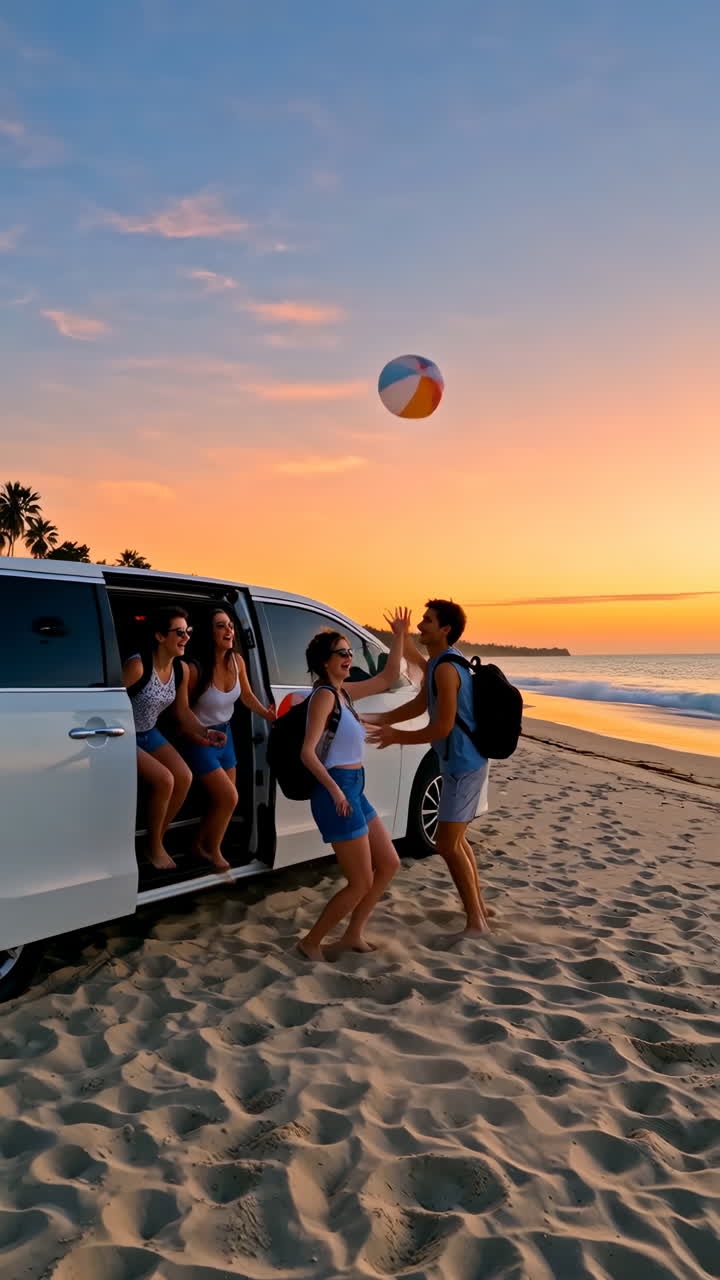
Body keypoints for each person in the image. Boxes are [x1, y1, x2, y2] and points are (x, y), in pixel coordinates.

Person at [364, 599, 491, 935]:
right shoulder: (439, 662)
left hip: (465, 765)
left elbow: (442, 726)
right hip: (455, 763)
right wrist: (378, 719)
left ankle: (476, 920)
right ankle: (479, 907)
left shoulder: (448, 668)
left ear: (445, 629)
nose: (422, 625)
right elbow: (421, 702)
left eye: (428, 621)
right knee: (457, 841)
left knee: (448, 845)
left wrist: (395, 737)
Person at [298, 608, 411, 960]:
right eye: (342, 653)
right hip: (338, 790)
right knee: (360, 880)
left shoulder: (344, 693)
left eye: (350, 652)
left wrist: (400, 635)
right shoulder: (324, 697)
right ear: (325, 661)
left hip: (354, 787)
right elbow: (307, 753)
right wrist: (335, 791)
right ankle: (310, 943)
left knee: (389, 863)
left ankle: (353, 933)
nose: (349, 658)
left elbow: (389, 676)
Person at [123, 607, 226, 872]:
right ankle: (154, 847)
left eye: (188, 632)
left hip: (149, 732)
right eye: (179, 632)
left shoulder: (180, 669)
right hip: (124, 735)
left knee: (184, 776)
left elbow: (182, 711)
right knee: (164, 779)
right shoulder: (138, 666)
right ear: (159, 636)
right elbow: (104, 703)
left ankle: (154, 840)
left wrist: (204, 731)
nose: (186, 637)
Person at [184, 607, 276, 871]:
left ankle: (200, 845)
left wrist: (267, 714)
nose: (229, 631)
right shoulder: (195, 668)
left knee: (224, 799)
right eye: (221, 626)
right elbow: (182, 710)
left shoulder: (237, 661)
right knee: (228, 798)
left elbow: (246, 696)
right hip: (201, 738)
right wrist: (197, 734)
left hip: (227, 736)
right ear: (209, 632)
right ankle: (214, 850)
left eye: (231, 626)